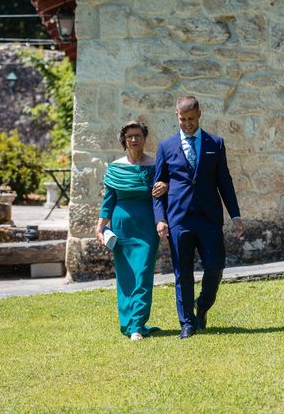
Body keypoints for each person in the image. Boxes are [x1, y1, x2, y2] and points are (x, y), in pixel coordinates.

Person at [153, 95, 244, 339]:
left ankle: (202, 306)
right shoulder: (166, 146)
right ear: (176, 116)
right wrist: (160, 218)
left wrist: (235, 215)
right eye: (183, 120)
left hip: (209, 218)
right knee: (182, 272)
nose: (188, 124)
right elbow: (157, 186)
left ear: (200, 115)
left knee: (215, 267)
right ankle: (187, 324)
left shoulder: (216, 143)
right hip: (178, 218)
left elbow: (224, 181)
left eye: (192, 119)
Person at [95, 121, 168, 341]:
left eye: (137, 135)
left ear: (145, 138)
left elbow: (166, 195)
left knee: (143, 273)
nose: (133, 140)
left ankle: (137, 323)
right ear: (124, 140)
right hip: (121, 229)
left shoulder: (156, 165)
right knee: (125, 276)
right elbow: (109, 201)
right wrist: (100, 227)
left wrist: (167, 185)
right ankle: (127, 323)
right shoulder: (115, 167)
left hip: (147, 228)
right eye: (129, 136)